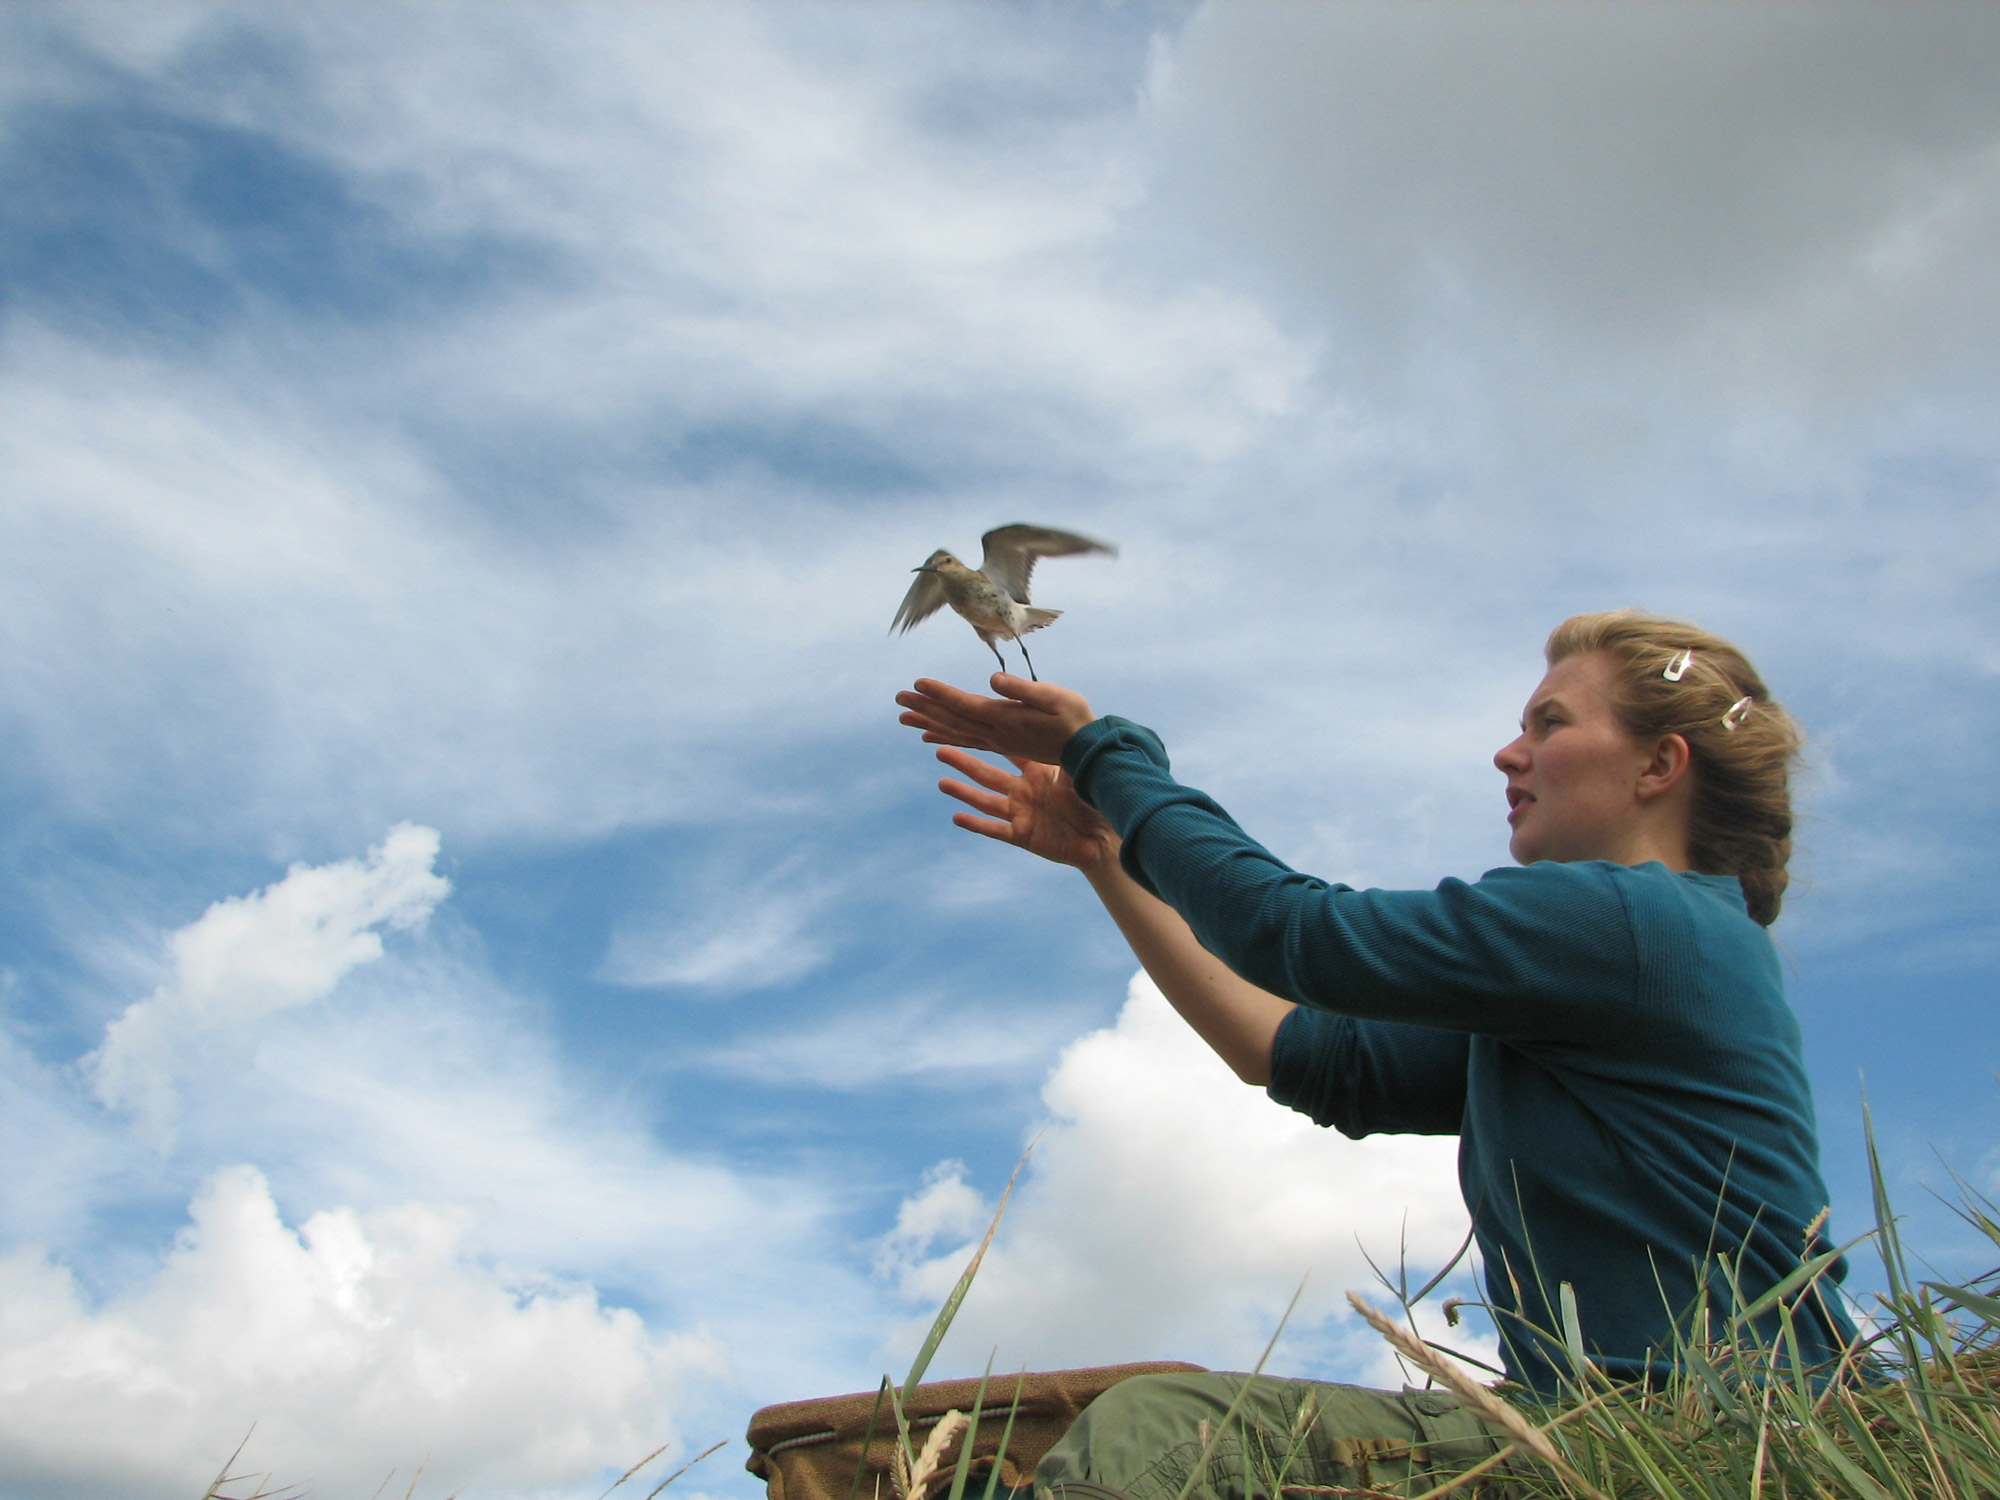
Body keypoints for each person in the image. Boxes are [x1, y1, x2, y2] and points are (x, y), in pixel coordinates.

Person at [894, 610, 1858, 1500]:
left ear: (1659, 765)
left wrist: (1104, 754)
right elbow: (1290, 1051)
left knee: (1163, 1430)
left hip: (1706, 1440)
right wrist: (1110, 858)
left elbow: (1295, 933)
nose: (1508, 752)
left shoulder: (1634, 920)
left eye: (1549, 724)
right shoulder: (1625, 968)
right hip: (1643, 1431)